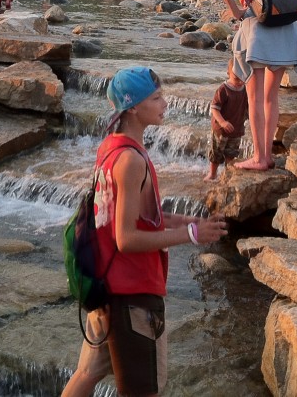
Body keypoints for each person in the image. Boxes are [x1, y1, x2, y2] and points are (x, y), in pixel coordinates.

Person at [61, 67, 228, 397]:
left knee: (88, 372)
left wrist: (184, 222)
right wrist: (191, 237)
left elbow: (133, 216)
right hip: (131, 294)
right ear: (133, 106)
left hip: (106, 285)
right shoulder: (132, 161)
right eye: (156, 98)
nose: (165, 103)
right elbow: (127, 239)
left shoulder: (111, 147)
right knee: (144, 391)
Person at [218, 0, 297, 170]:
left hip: (260, 34)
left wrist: (237, 11)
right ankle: (267, 155)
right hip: (285, 31)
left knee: (255, 98)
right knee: (271, 98)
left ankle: (259, 158)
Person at [204, 61, 249, 181]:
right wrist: (222, 122)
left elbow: (249, 109)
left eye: (242, 78)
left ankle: (227, 175)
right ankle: (212, 174)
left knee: (232, 154)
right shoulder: (223, 90)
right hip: (220, 130)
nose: (239, 81)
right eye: (236, 78)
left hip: (236, 129)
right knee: (216, 153)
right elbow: (214, 108)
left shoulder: (245, 90)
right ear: (228, 73)